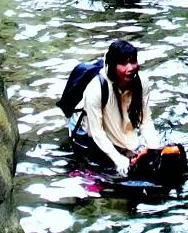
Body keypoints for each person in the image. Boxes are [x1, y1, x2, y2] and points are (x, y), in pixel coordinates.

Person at [59, 38, 156, 176]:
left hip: (113, 118)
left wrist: (155, 149)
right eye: (123, 63)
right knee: (93, 172)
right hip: (85, 130)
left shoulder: (142, 81)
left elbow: (145, 120)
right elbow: (96, 132)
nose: (130, 67)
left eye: (133, 61)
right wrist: (119, 160)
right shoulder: (96, 88)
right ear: (112, 65)